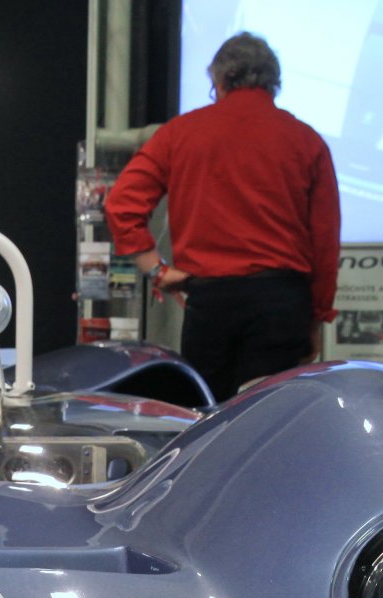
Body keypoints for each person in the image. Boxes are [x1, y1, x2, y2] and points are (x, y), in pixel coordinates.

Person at [105, 32, 340, 402]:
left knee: (209, 416)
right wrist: (317, 317)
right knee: (272, 416)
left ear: (217, 80)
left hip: (212, 305)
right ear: (274, 83)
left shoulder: (179, 133)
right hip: (281, 304)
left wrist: (157, 270)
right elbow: (325, 240)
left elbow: (121, 203)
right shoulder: (306, 140)